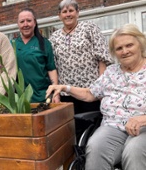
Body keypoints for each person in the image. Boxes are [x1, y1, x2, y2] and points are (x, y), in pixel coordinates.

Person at [46, 23, 146, 170]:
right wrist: (64, 87)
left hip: (143, 129)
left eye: (129, 45)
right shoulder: (111, 71)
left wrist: (142, 119)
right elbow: (90, 93)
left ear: (140, 44)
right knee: (95, 146)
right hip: (112, 127)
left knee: (134, 151)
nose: (124, 51)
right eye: (119, 48)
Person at [49, 0, 113, 141]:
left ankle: (91, 159)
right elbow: (54, 66)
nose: (68, 14)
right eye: (64, 12)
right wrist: (56, 91)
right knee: (71, 130)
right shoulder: (54, 37)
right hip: (67, 94)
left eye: (71, 10)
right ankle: (76, 160)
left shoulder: (90, 28)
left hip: (90, 91)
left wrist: (101, 86)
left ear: (78, 12)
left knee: (91, 129)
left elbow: (102, 57)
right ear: (59, 15)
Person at [14, 8, 59, 103]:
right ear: (18, 24)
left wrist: (56, 93)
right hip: (20, 100)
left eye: (29, 21)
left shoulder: (44, 43)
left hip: (42, 97)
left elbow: (51, 69)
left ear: (34, 23)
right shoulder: (12, 44)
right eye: (22, 21)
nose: (25, 24)